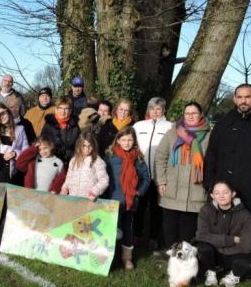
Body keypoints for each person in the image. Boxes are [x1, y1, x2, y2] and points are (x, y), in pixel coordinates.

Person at [204, 84, 251, 218]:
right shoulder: (222, 124)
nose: (243, 101)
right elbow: (211, 156)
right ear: (234, 99)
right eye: (239, 97)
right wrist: (210, 184)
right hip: (221, 191)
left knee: (246, 235)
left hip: (249, 193)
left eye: (247, 97)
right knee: (217, 234)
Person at [154, 101, 210, 249]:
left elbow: (214, 162)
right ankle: (171, 261)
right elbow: (160, 156)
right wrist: (161, 181)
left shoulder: (209, 136)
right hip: (172, 189)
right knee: (170, 230)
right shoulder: (172, 132)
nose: (190, 116)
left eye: (194, 113)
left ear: (200, 115)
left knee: (188, 232)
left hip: (196, 192)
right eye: (187, 113)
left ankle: (186, 264)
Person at [104, 127, 150, 270]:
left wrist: (139, 192)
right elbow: (105, 176)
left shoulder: (138, 158)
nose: (127, 142)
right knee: (112, 229)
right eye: (123, 139)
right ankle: (109, 256)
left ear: (134, 141)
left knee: (127, 228)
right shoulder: (110, 156)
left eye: (130, 139)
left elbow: (146, 178)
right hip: (114, 200)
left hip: (131, 201)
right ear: (118, 140)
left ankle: (126, 258)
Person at [196, 180, 251, 287]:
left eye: (225, 192)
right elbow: (201, 236)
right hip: (213, 253)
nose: (221, 196)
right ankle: (211, 272)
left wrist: (214, 239)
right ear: (212, 195)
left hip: (233, 254)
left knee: (249, 263)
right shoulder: (206, 210)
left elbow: (247, 245)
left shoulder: (245, 214)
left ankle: (231, 277)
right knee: (203, 248)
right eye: (217, 193)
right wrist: (232, 239)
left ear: (233, 194)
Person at [132, 97, 173, 250]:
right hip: (141, 175)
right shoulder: (139, 125)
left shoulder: (171, 127)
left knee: (157, 208)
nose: (155, 112)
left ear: (164, 110)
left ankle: (154, 238)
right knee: (139, 207)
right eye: (152, 109)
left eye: (158, 109)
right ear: (148, 110)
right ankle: (135, 236)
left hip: (160, 175)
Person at [60, 132, 109, 201]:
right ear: (79, 145)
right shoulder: (74, 160)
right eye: (84, 146)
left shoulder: (98, 161)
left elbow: (104, 180)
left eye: (90, 146)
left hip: (88, 200)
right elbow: (69, 177)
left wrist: (94, 192)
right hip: (73, 198)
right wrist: (64, 188)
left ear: (94, 146)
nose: (87, 148)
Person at [40, 96, 80, 164]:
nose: (63, 111)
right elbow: (42, 145)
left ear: (70, 110)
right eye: (60, 108)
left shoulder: (75, 126)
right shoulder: (48, 125)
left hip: (71, 163)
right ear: (56, 109)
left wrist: (72, 154)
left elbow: (79, 145)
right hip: (52, 162)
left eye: (66, 108)